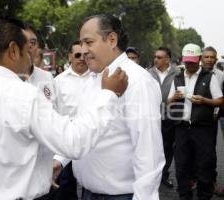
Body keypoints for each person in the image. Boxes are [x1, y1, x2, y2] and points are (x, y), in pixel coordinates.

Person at [0, 16, 128, 200]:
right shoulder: (25, 96)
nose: (30, 55)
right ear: (13, 50)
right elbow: (74, 142)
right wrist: (109, 95)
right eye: (26, 49)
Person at [53, 14, 165, 200]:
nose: (83, 50)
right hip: (89, 193)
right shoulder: (91, 79)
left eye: (89, 42)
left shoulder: (137, 81)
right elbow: (82, 127)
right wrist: (60, 160)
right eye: (81, 44)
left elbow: (148, 152)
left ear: (112, 40)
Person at [168, 43, 224, 200]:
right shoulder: (178, 77)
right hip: (182, 129)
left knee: (204, 166)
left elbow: (220, 100)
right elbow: (168, 102)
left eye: (192, 61)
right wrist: (174, 97)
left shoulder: (209, 77)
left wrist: (204, 100)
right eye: (187, 61)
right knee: (182, 167)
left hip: (203, 129)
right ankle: (184, 196)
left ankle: (204, 196)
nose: (189, 64)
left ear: (199, 59)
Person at [53, 40, 91, 200]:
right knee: (66, 187)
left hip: (92, 142)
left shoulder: (98, 78)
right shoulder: (58, 81)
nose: (82, 58)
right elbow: (53, 112)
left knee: (91, 185)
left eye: (85, 55)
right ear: (70, 56)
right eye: (77, 55)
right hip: (66, 143)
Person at [148, 47, 179, 188]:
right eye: (155, 56)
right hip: (151, 118)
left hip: (169, 117)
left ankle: (164, 175)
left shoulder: (178, 73)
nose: (156, 59)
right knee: (151, 148)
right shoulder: (148, 73)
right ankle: (151, 176)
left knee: (167, 148)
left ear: (168, 59)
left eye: (159, 57)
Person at [201, 46, 224, 197]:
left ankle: (212, 182)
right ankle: (195, 180)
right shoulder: (193, 72)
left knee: (210, 152)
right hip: (194, 120)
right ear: (201, 58)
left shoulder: (221, 75)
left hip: (212, 119)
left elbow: (220, 97)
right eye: (206, 57)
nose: (209, 59)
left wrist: (215, 113)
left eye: (212, 57)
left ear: (216, 60)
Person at [22, 22, 56, 103]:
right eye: (24, 41)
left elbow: (53, 107)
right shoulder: (8, 77)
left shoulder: (47, 77)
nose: (29, 46)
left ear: (37, 47)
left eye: (32, 42)